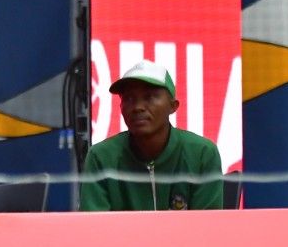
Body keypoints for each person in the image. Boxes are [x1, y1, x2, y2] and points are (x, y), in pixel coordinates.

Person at [80, 60, 223, 211]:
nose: (138, 107)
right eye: (129, 98)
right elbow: (93, 225)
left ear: (173, 106)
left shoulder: (202, 154)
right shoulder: (101, 157)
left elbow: (207, 224)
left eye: (149, 97)